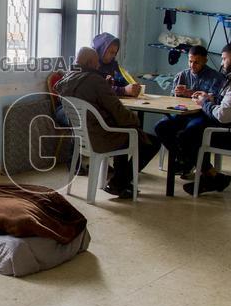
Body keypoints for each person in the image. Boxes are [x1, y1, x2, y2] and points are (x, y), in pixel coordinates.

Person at [159, 42, 231, 195]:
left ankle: (204, 173)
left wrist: (204, 102)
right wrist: (211, 98)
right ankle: (206, 172)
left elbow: (223, 116)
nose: (222, 63)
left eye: (224, 59)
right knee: (166, 127)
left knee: (190, 134)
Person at [55, 47, 161, 198]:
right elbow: (118, 111)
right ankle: (119, 182)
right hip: (101, 137)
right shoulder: (95, 81)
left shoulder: (66, 80)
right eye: (97, 62)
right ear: (91, 62)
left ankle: (120, 184)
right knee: (150, 141)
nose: (98, 66)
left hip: (83, 137)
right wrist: (135, 119)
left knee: (125, 132)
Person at [154, 46, 227, 179]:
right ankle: (185, 160)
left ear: (205, 60)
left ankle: (188, 162)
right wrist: (176, 94)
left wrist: (191, 93)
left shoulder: (216, 77)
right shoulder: (182, 75)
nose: (192, 65)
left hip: (203, 115)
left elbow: (218, 100)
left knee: (190, 131)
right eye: (190, 61)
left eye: (196, 62)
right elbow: (172, 100)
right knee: (160, 127)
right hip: (183, 114)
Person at [93, 33, 142, 98]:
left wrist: (132, 86)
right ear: (102, 50)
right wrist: (124, 90)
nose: (114, 56)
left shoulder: (112, 64)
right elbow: (98, 88)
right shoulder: (92, 65)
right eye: (111, 52)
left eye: (115, 53)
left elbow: (119, 81)